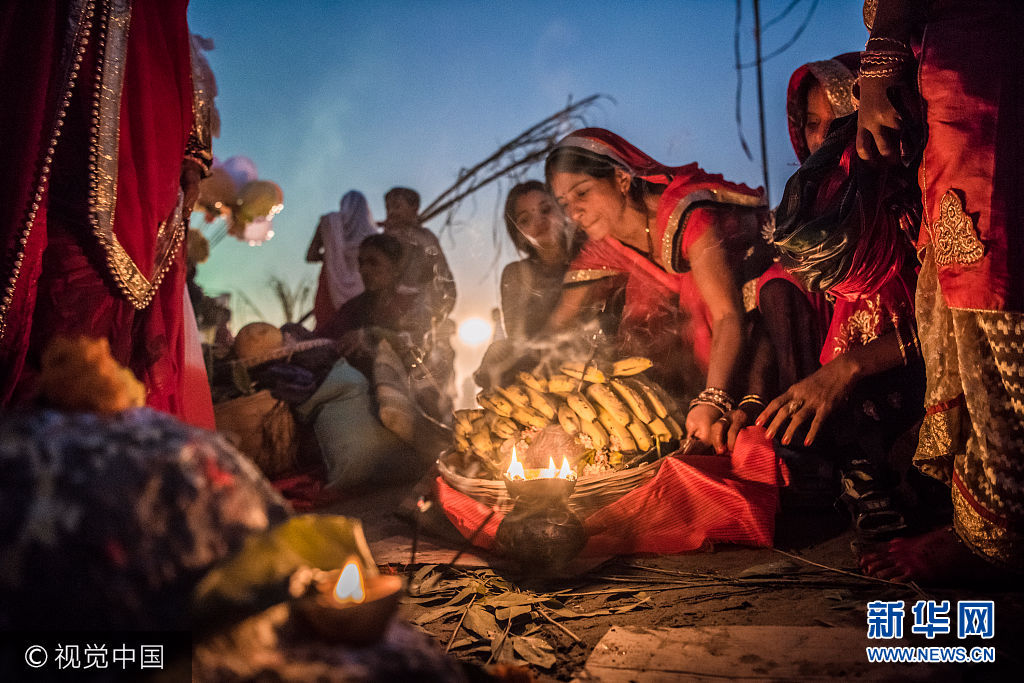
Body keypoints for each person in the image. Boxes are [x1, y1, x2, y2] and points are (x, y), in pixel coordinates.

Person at [855, 0, 1024, 583]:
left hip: (982, 74)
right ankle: (979, 516)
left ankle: (998, 527)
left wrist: (880, 65)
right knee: (968, 283)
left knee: (993, 283)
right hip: (955, 73)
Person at [0, 1, 215, 428]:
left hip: (133, 162)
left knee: (87, 340)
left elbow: (171, 25)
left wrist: (194, 148)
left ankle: (82, 472)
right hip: (28, 100)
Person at [756, 51, 928, 544]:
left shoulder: (914, 196)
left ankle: (874, 473)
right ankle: (811, 453)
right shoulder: (820, 216)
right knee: (776, 282)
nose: (825, 139)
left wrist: (844, 368)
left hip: (917, 364)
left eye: (841, 122)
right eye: (813, 125)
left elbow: (945, 325)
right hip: (841, 367)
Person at [545, 128, 769, 450]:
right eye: (564, 203)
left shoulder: (687, 213)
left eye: (582, 193)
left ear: (622, 179)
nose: (573, 212)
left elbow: (725, 315)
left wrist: (713, 399)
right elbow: (559, 322)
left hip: (759, 327)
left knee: (685, 303)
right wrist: (526, 356)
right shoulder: (605, 240)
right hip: (707, 349)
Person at [500, 181, 581, 341]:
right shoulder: (517, 275)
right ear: (518, 233)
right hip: (545, 362)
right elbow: (518, 339)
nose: (538, 221)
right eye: (525, 220)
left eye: (545, 210)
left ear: (562, 210)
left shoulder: (592, 258)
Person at [380, 186, 457, 322]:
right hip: (388, 314)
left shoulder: (425, 237)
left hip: (419, 312)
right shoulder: (384, 238)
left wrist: (441, 310)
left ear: (414, 208)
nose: (391, 212)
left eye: (397, 206)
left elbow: (442, 274)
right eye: (388, 208)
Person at [306, 190, 379, 328]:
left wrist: (330, 256)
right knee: (356, 327)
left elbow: (310, 256)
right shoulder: (371, 232)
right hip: (362, 285)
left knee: (326, 328)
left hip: (330, 282)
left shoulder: (328, 222)